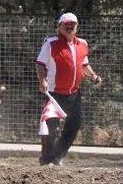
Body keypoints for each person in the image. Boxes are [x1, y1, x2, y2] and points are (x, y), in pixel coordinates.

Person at [35, 13, 102, 165]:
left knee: (74, 125)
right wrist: (42, 80)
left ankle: (57, 157)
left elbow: (84, 65)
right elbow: (40, 63)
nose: (70, 27)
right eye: (66, 24)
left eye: (73, 24)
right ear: (60, 27)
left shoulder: (83, 44)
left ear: (77, 26)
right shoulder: (51, 43)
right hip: (54, 94)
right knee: (50, 127)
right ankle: (46, 159)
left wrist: (93, 76)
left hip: (74, 94)